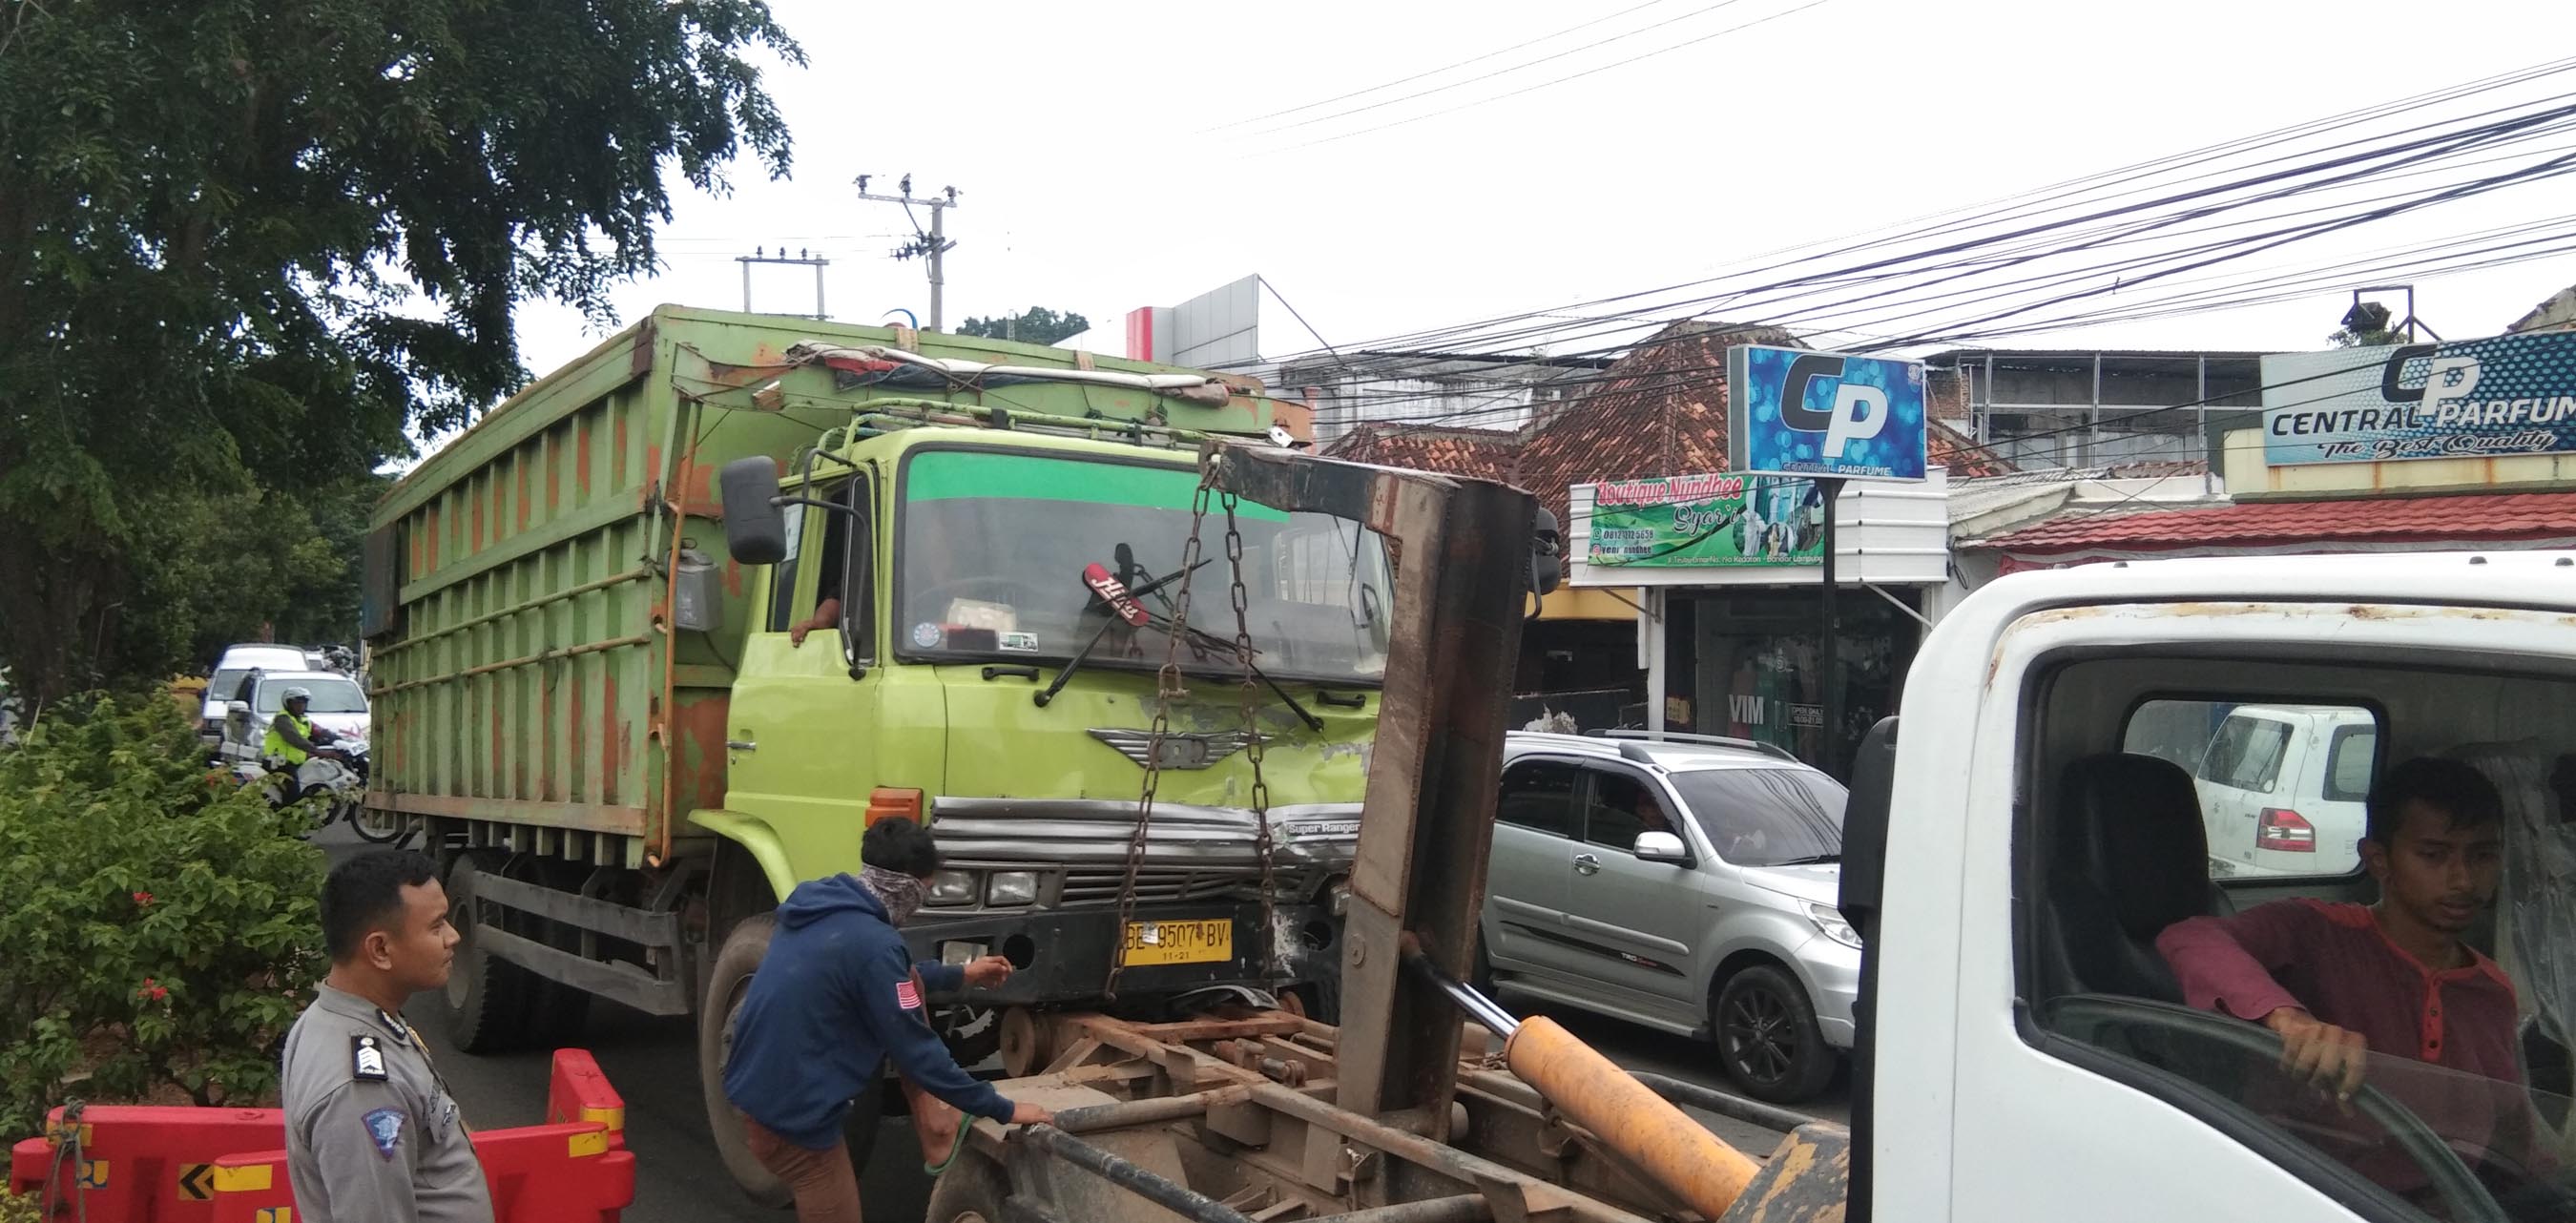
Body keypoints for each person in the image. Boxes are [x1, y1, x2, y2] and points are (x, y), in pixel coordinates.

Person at [2157, 757, 2548, 1186]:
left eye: (2482, 856)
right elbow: (2192, 939)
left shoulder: (2492, 992)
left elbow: (2514, 1141)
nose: (2463, 879)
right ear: (2378, 860)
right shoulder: (2314, 932)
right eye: (2433, 855)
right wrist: (2289, 1019)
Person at [723, 817, 1052, 1223]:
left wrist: (962, 974)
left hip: (760, 1091)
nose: (922, 902)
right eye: (926, 890)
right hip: (794, 1121)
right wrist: (1001, 1107)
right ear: (907, 886)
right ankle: (939, 1125)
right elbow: (917, 1052)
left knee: (908, 988)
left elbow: (884, 979)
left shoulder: (824, 905)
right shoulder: (875, 945)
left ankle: (935, 1124)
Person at [281, 850, 491, 1223]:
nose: (454, 936)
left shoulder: (346, 1017)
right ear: (380, 949)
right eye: (437, 925)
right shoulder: (361, 1091)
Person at [267, 686, 345, 765]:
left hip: (296, 763)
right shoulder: (282, 719)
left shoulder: (303, 720)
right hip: (278, 764)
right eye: (297, 703)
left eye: (304, 703)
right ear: (288, 704)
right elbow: (295, 739)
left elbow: (321, 731)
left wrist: (340, 740)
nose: (301, 706)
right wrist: (318, 751)